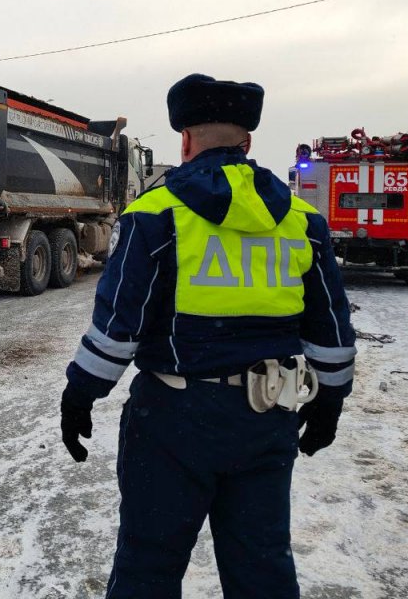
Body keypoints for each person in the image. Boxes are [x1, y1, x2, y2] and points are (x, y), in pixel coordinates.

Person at [60, 73, 356, 599]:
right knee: (262, 567)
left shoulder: (155, 213)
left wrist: (80, 393)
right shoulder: (302, 219)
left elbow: (118, 325)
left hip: (173, 421)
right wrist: (330, 398)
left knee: (149, 564)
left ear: (186, 140)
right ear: (247, 142)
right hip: (267, 417)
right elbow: (330, 324)